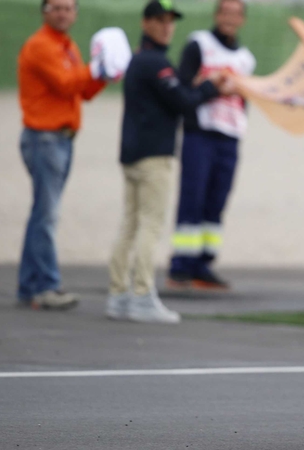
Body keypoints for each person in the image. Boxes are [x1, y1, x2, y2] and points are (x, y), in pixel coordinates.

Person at [106, 0, 232, 324]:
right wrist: (210, 86)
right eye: (160, 20)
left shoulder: (139, 59)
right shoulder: (155, 62)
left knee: (130, 224)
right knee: (150, 224)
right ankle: (142, 296)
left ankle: (119, 294)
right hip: (152, 156)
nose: (167, 26)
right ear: (146, 23)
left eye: (170, 21)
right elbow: (183, 101)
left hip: (132, 154)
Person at [16, 0, 110, 310]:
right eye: (56, 7)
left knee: (42, 212)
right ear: (44, 11)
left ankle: (30, 286)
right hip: (45, 138)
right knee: (47, 214)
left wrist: (104, 75)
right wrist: (96, 68)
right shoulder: (41, 45)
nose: (63, 13)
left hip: (63, 138)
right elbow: (65, 82)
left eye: (68, 8)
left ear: (75, 13)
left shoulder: (67, 46)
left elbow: (83, 92)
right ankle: (46, 285)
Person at [167, 0, 255, 291]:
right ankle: (181, 266)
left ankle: (203, 263)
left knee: (216, 201)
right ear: (217, 15)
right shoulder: (199, 45)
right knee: (193, 197)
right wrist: (212, 86)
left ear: (242, 19)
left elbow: (246, 98)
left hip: (229, 138)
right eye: (225, 12)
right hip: (200, 134)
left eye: (236, 14)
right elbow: (183, 88)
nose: (230, 18)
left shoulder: (246, 59)